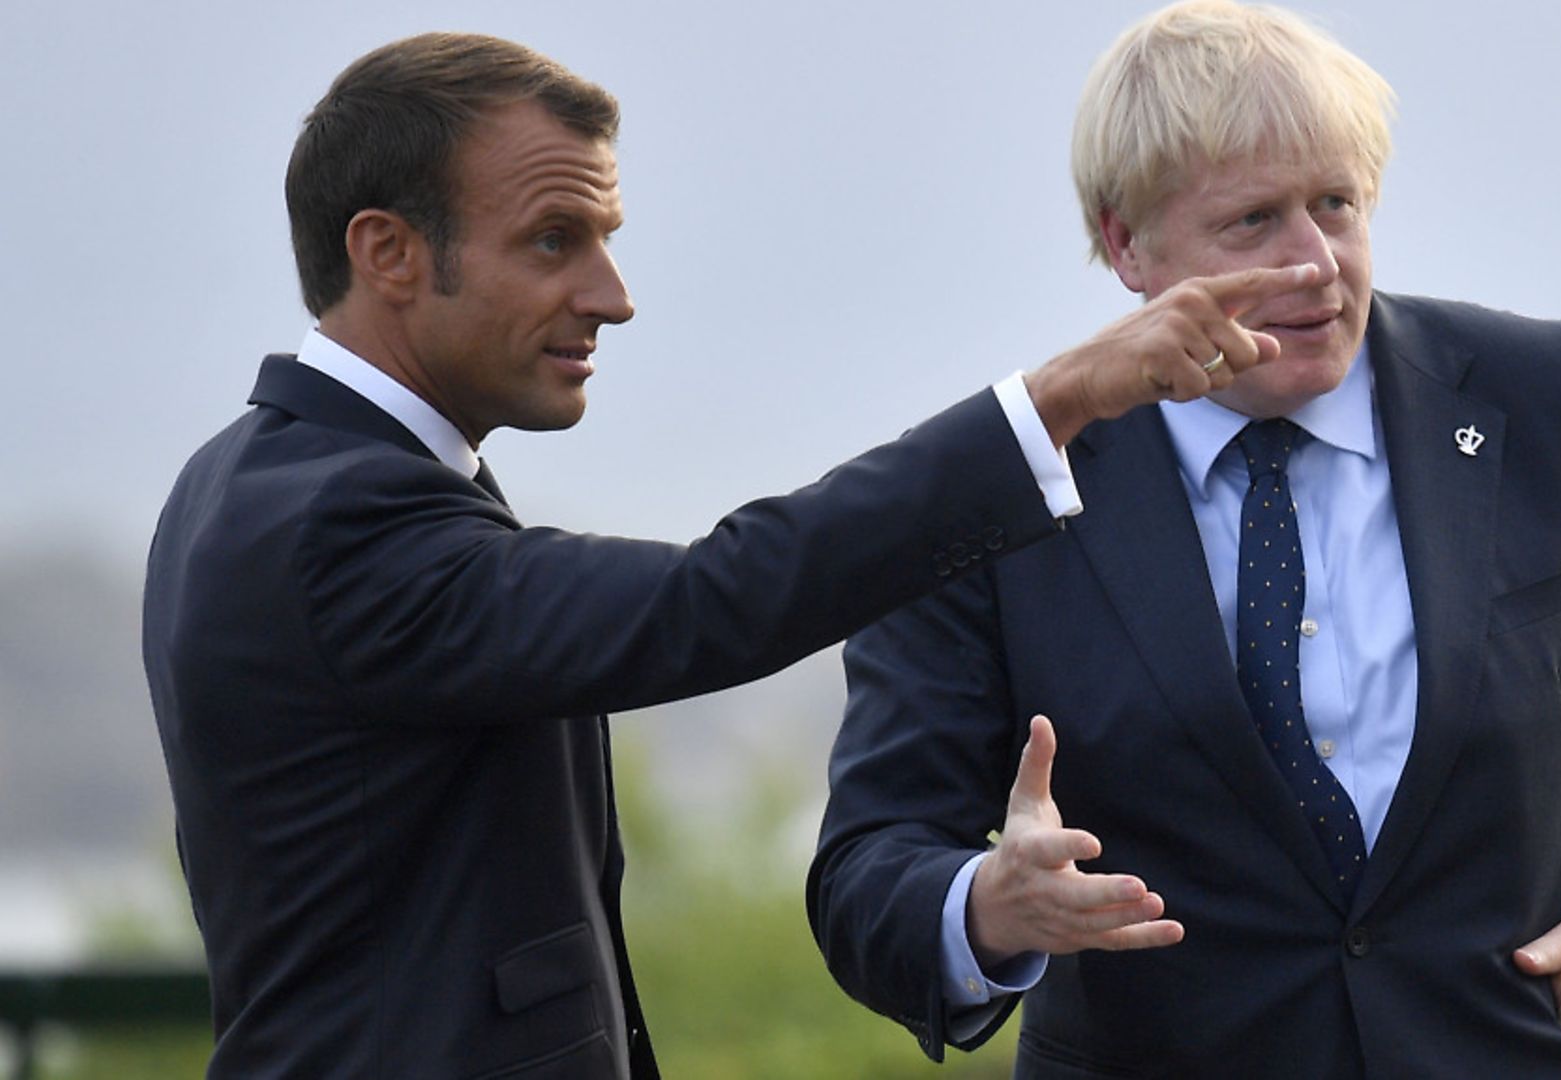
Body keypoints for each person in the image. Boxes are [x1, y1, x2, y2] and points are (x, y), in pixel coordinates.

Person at [141, 31, 1321, 1080]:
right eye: (555, 239)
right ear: (388, 253)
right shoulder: (332, 526)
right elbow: (708, 601)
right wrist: (1060, 398)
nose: (612, 296)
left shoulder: (259, 477)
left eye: (606, 237)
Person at [807, 3, 1561, 1076]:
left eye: (1338, 204)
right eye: (1255, 222)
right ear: (1124, 241)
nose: (1317, 262)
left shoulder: (1559, 400)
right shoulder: (989, 488)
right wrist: (987, 908)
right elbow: (867, 867)